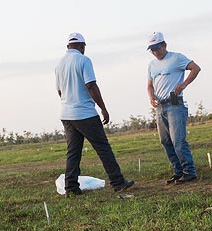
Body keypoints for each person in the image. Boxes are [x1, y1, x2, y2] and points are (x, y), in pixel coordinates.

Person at [55, 33, 134, 196]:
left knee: (73, 152)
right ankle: (118, 182)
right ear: (82, 46)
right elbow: (91, 85)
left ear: (68, 46)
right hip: (85, 113)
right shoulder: (84, 60)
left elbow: (60, 91)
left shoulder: (59, 64)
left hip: (66, 114)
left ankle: (71, 188)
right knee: (103, 148)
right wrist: (103, 108)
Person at [146, 32, 201, 184]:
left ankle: (189, 171)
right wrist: (151, 97)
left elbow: (196, 68)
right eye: (152, 49)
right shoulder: (151, 65)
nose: (155, 52)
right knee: (165, 141)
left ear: (164, 45)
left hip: (175, 104)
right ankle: (178, 171)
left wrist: (183, 84)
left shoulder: (177, 58)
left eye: (157, 48)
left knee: (178, 140)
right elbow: (149, 85)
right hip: (160, 106)